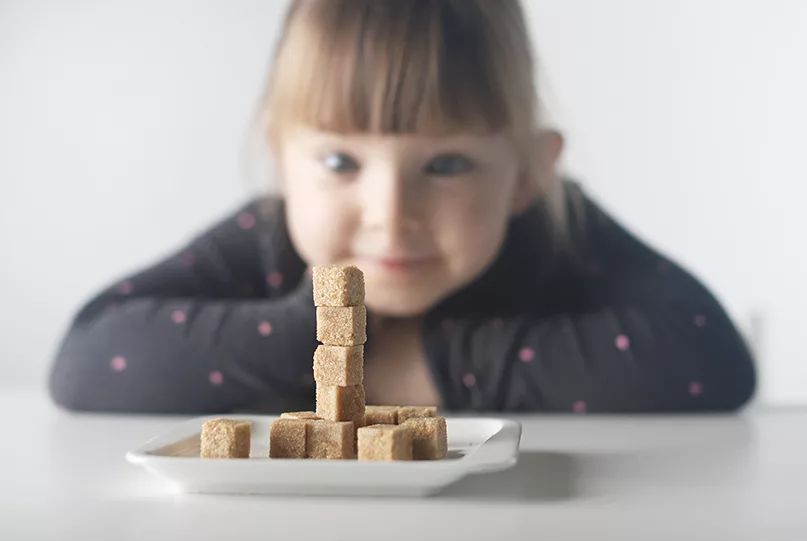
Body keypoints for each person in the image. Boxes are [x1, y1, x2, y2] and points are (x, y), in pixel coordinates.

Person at [48, 0, 755, 415]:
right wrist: (323, 344)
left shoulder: (551, 227)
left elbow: (709, 356)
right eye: (338, 163)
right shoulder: (264, 236)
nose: (389, 214)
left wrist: (424, 362)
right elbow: (89, 360)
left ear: (526, 175)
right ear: (281, 160)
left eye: (446, 165)